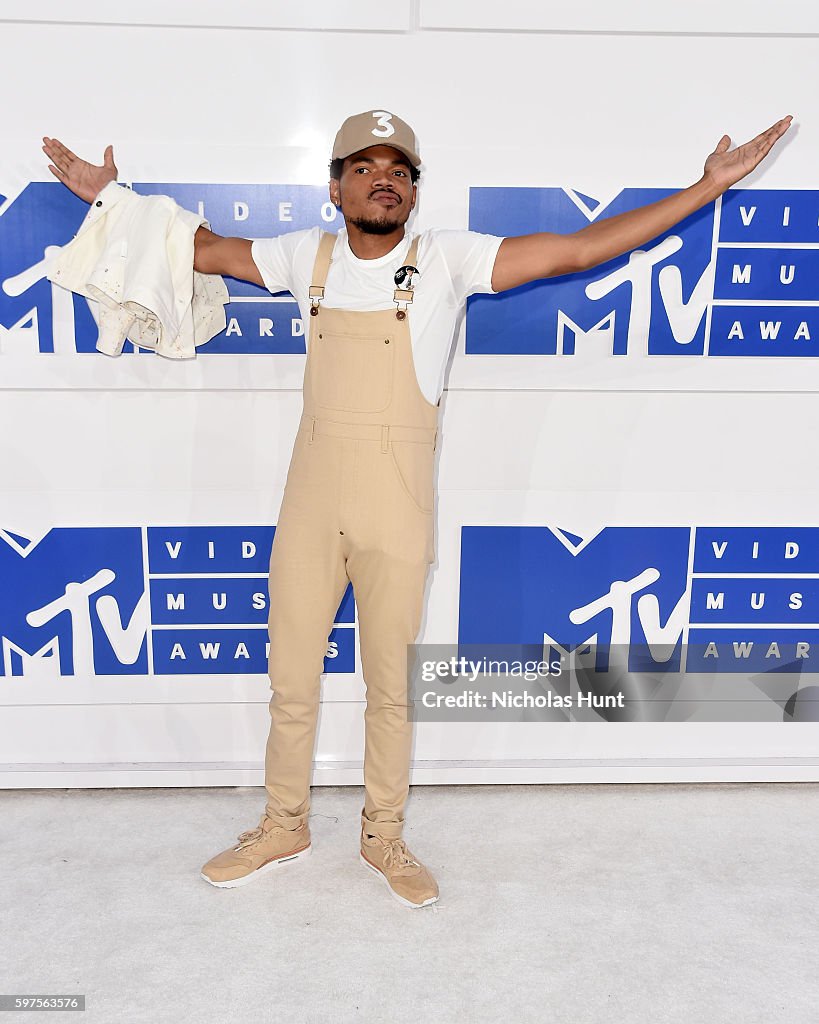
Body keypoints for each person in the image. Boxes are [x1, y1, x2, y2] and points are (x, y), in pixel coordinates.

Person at [43, 108, 793, 909]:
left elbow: (579, 248)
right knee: (290, 680)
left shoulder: (447, 261)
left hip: (396, 511)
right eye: (363, 168)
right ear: (335, 188)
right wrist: (109, 199)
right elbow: (197, 248)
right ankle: (283, 823)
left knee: (389, 688)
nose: (383, 179)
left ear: (412, 191)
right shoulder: (307, 255)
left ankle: (384, 837)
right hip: (309, 504)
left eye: (398, 170)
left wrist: (703, 189)